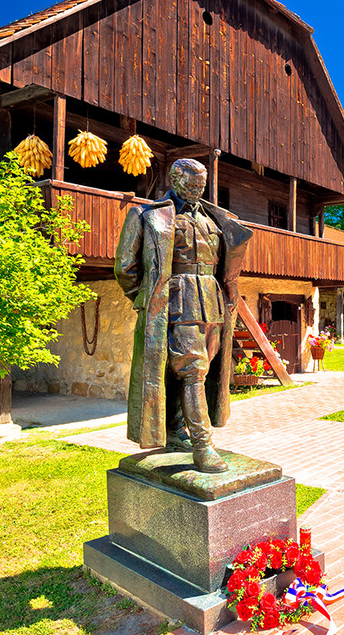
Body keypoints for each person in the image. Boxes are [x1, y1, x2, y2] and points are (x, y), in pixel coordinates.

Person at [115, 158, 253, 473]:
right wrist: (146, 300)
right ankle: (203, 446)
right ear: (176, 180)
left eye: (201, 185)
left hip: (213, 302)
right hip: (176, 301)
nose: (197, 190)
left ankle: (177, 431)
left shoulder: (214, 218)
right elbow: (125, 267)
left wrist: (228, 300)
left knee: (193, 371)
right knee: (194, 372)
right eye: (192, 184)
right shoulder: (148, 215)